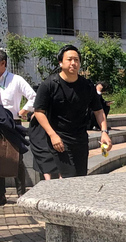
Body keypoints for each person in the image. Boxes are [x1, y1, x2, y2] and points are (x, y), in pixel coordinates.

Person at [28, 45, 112, 180]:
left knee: (80, 177)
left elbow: (98, 111)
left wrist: (104, 132)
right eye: (69, 59)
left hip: (80, 139)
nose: (73, 63)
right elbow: (39, 112)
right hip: (59, 139)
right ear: (61, 62)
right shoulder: (49, 85)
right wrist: (52, 135)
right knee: (69, 177)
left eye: (77, 60)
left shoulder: (87, 86)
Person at [0, 49, 36, 205]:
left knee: (17, 159)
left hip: (13, 123)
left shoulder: (16, 80)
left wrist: (23, 110)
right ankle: (1, 195)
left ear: (3, 63)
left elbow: (34, 96)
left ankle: (21, 194)